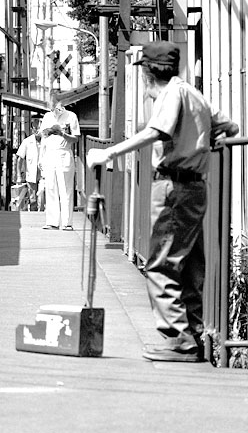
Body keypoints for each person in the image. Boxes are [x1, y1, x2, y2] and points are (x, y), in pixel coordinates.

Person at [87, 41, 238, 362]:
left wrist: (109, 152)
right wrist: (203, 141)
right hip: (197, 186)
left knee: (160, 265)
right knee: (190, 264)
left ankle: (179, 340)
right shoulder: (194, 94)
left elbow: (157, 131)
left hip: (173, 185)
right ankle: (194, 335)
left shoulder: (171, 93)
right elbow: (230, 127)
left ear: (148, 72)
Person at [39, 90, 80, 230]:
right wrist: (41, 157)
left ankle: (67, 222)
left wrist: (63, 134)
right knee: (50, 187)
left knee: (65, 189)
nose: (53, 107)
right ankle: (52, 221)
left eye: (55, 103)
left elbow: (76, 138)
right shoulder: (47, 117)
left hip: (64, 154)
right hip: (49, 154)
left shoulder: (71, 116)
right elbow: (43, 138)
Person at [15, 119, 44, 211]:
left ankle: (43, 216)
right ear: (32, 130)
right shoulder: (27, 142)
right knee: (33, 199)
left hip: (44, 174)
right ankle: (34, 217)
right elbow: (19, 159)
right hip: (31, 175)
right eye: (35, 128)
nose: (37, 131)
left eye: (39, 128)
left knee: (42, 196)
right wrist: (19, 176)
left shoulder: (47, 141)